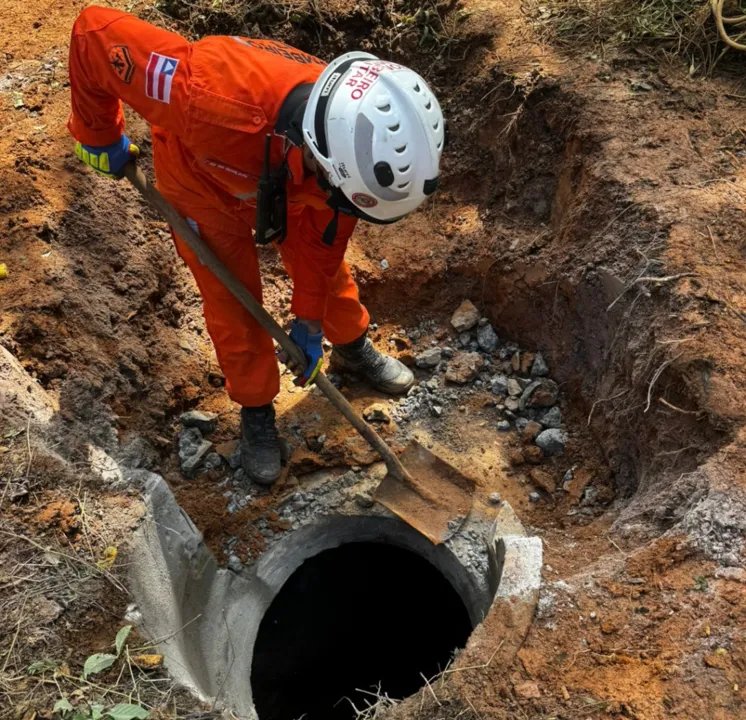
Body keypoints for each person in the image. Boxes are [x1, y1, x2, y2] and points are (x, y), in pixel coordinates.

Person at [68, 7, 444, 485]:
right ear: (323, 157)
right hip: (203, 187)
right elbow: (94, 32)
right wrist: (99, 133)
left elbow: (323, 243)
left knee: (328, 276)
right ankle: (256, 409)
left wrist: (308, 320)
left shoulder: (347, 154)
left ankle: (351, 345)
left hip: (286, 180)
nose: (349, 211)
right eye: (347, 200)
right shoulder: (202, 95)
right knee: (233, 301)